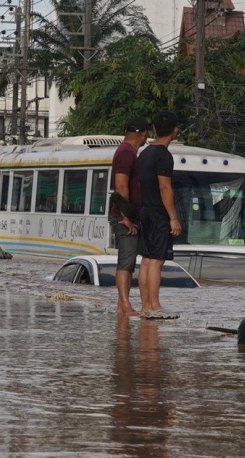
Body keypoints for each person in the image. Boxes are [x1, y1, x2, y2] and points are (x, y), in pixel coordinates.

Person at [136, 111, 182, 319]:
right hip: (157, 213)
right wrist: (173, 217)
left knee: (146, 259)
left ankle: (146, 306)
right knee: (157, 260)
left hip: (144, 211)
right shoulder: (164, 155)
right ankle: (154, 306)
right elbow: (165, 188)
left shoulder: (144, 153)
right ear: (175, 131)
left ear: (154, 129)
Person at [110, 116, 150, 316]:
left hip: (125, 213)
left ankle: (121, 305)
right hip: (123, 216)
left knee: (128, 260)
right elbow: (121, 185)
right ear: (143, 135)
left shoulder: (127, 152)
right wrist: (126, 217)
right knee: (126, 261)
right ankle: (125, 304)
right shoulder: (126, 153)